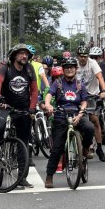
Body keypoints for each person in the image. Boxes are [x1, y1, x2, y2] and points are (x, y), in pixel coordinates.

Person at [44, 57, 94, 188]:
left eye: (72, 67)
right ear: (63, 69)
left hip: (77, 114)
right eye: (67, 67)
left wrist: (81, 113)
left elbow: (84, 101)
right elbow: (49, 94)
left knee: (89, 127)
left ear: (76, 69)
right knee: (57, 149)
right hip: (61, 116)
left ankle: (85, 149)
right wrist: (48, 104)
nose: (69, 69)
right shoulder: (58, 83)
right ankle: (49, 175)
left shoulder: (80, 84)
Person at [0, 43, 38, 188]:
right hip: (7, 107)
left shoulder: (29, 69)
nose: (24, 56)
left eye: (26, 54)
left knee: (23, 142)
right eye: (21, 53)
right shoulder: (5, 68)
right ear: (14, 55)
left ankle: (21, 177)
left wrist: (31, 108)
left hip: (23, 109)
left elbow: (34, 91)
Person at [76, 45, 105, 162]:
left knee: (94, 120)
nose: (83, 59)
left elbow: (100, 77)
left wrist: (103, 90)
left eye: (85, 56)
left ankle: (99, 147)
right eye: (81, 56)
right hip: (78, 95)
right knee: (78, 120)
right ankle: (80, 144)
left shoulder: (93, 63)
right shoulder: (74, 64)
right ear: (77, 56)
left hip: (91, 95)